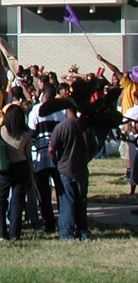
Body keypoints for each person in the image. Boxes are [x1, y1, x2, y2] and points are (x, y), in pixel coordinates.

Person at [49, 103, 93, 240]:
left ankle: (66, 233)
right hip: (81, 168)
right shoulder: (86, 127)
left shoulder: (62, 127)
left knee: (67, 202)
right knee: (81, 201)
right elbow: (93, 146)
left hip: (65, 168)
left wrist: (56, 161)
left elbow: (51, 149)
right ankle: (83, 230)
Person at [0, 103, 32, 241]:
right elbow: (28, 156)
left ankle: (1, 233)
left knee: (0, 200)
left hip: (3, 168)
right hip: (21, 166)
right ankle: (15, 233)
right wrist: (31, 176)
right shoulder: (25, 134)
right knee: (17, 201)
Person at [27, 85, 66, 233]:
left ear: (43, 95)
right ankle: (64, 220)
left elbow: (31, 133)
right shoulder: (61, 111)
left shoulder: (36, 110)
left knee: (43, 192)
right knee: (61, 190)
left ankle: (49, 223)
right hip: (58, 155)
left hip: (40, 155)